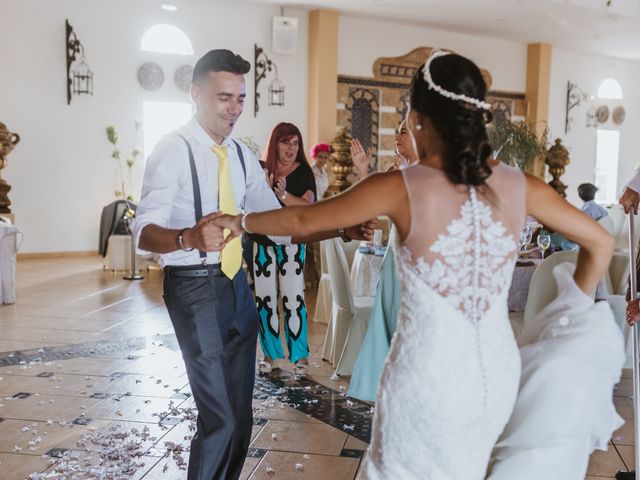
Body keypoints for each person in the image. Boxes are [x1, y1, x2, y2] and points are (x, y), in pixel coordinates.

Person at [211, 50, 614, 478]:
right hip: (495, 375)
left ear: (420, 117)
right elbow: (601, 242)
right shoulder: (523, 186)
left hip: (426, 375)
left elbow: (301, 218)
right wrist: (566, 316)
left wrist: (239, 220)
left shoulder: (401, 187)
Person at [132, 49, 374, 480]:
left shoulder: (243, 157)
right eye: (224, 97)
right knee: (219, 419)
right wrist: (186, 237)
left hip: (237, 289)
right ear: (196, 93)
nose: (234, 108)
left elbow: (282, 228)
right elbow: (143, 233)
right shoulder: (172, 150)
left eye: (241, 98)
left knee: (240, 418)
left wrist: (341, 231)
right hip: (192, 287)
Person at [347, 119, 417, 402]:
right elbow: (370, 206)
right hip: (394, 256)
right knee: (388, 319)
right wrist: (364, 170)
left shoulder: (434, 177)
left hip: (416, 264)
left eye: (404, 130)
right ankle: (387, 385)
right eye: (398, 130)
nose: (397, 135)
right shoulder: (395, 173)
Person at [252, 122, 316, 376]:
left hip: (292, 244)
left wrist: (283, 195)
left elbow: (308, 205)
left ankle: (300, 356)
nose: (291, 149)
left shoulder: (303, 172)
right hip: (262, 242)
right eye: (285, 142)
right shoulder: (260, 170)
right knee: (265, 300)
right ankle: (270, 354)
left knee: (293, 298)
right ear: (274, 143)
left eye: (295, 143)